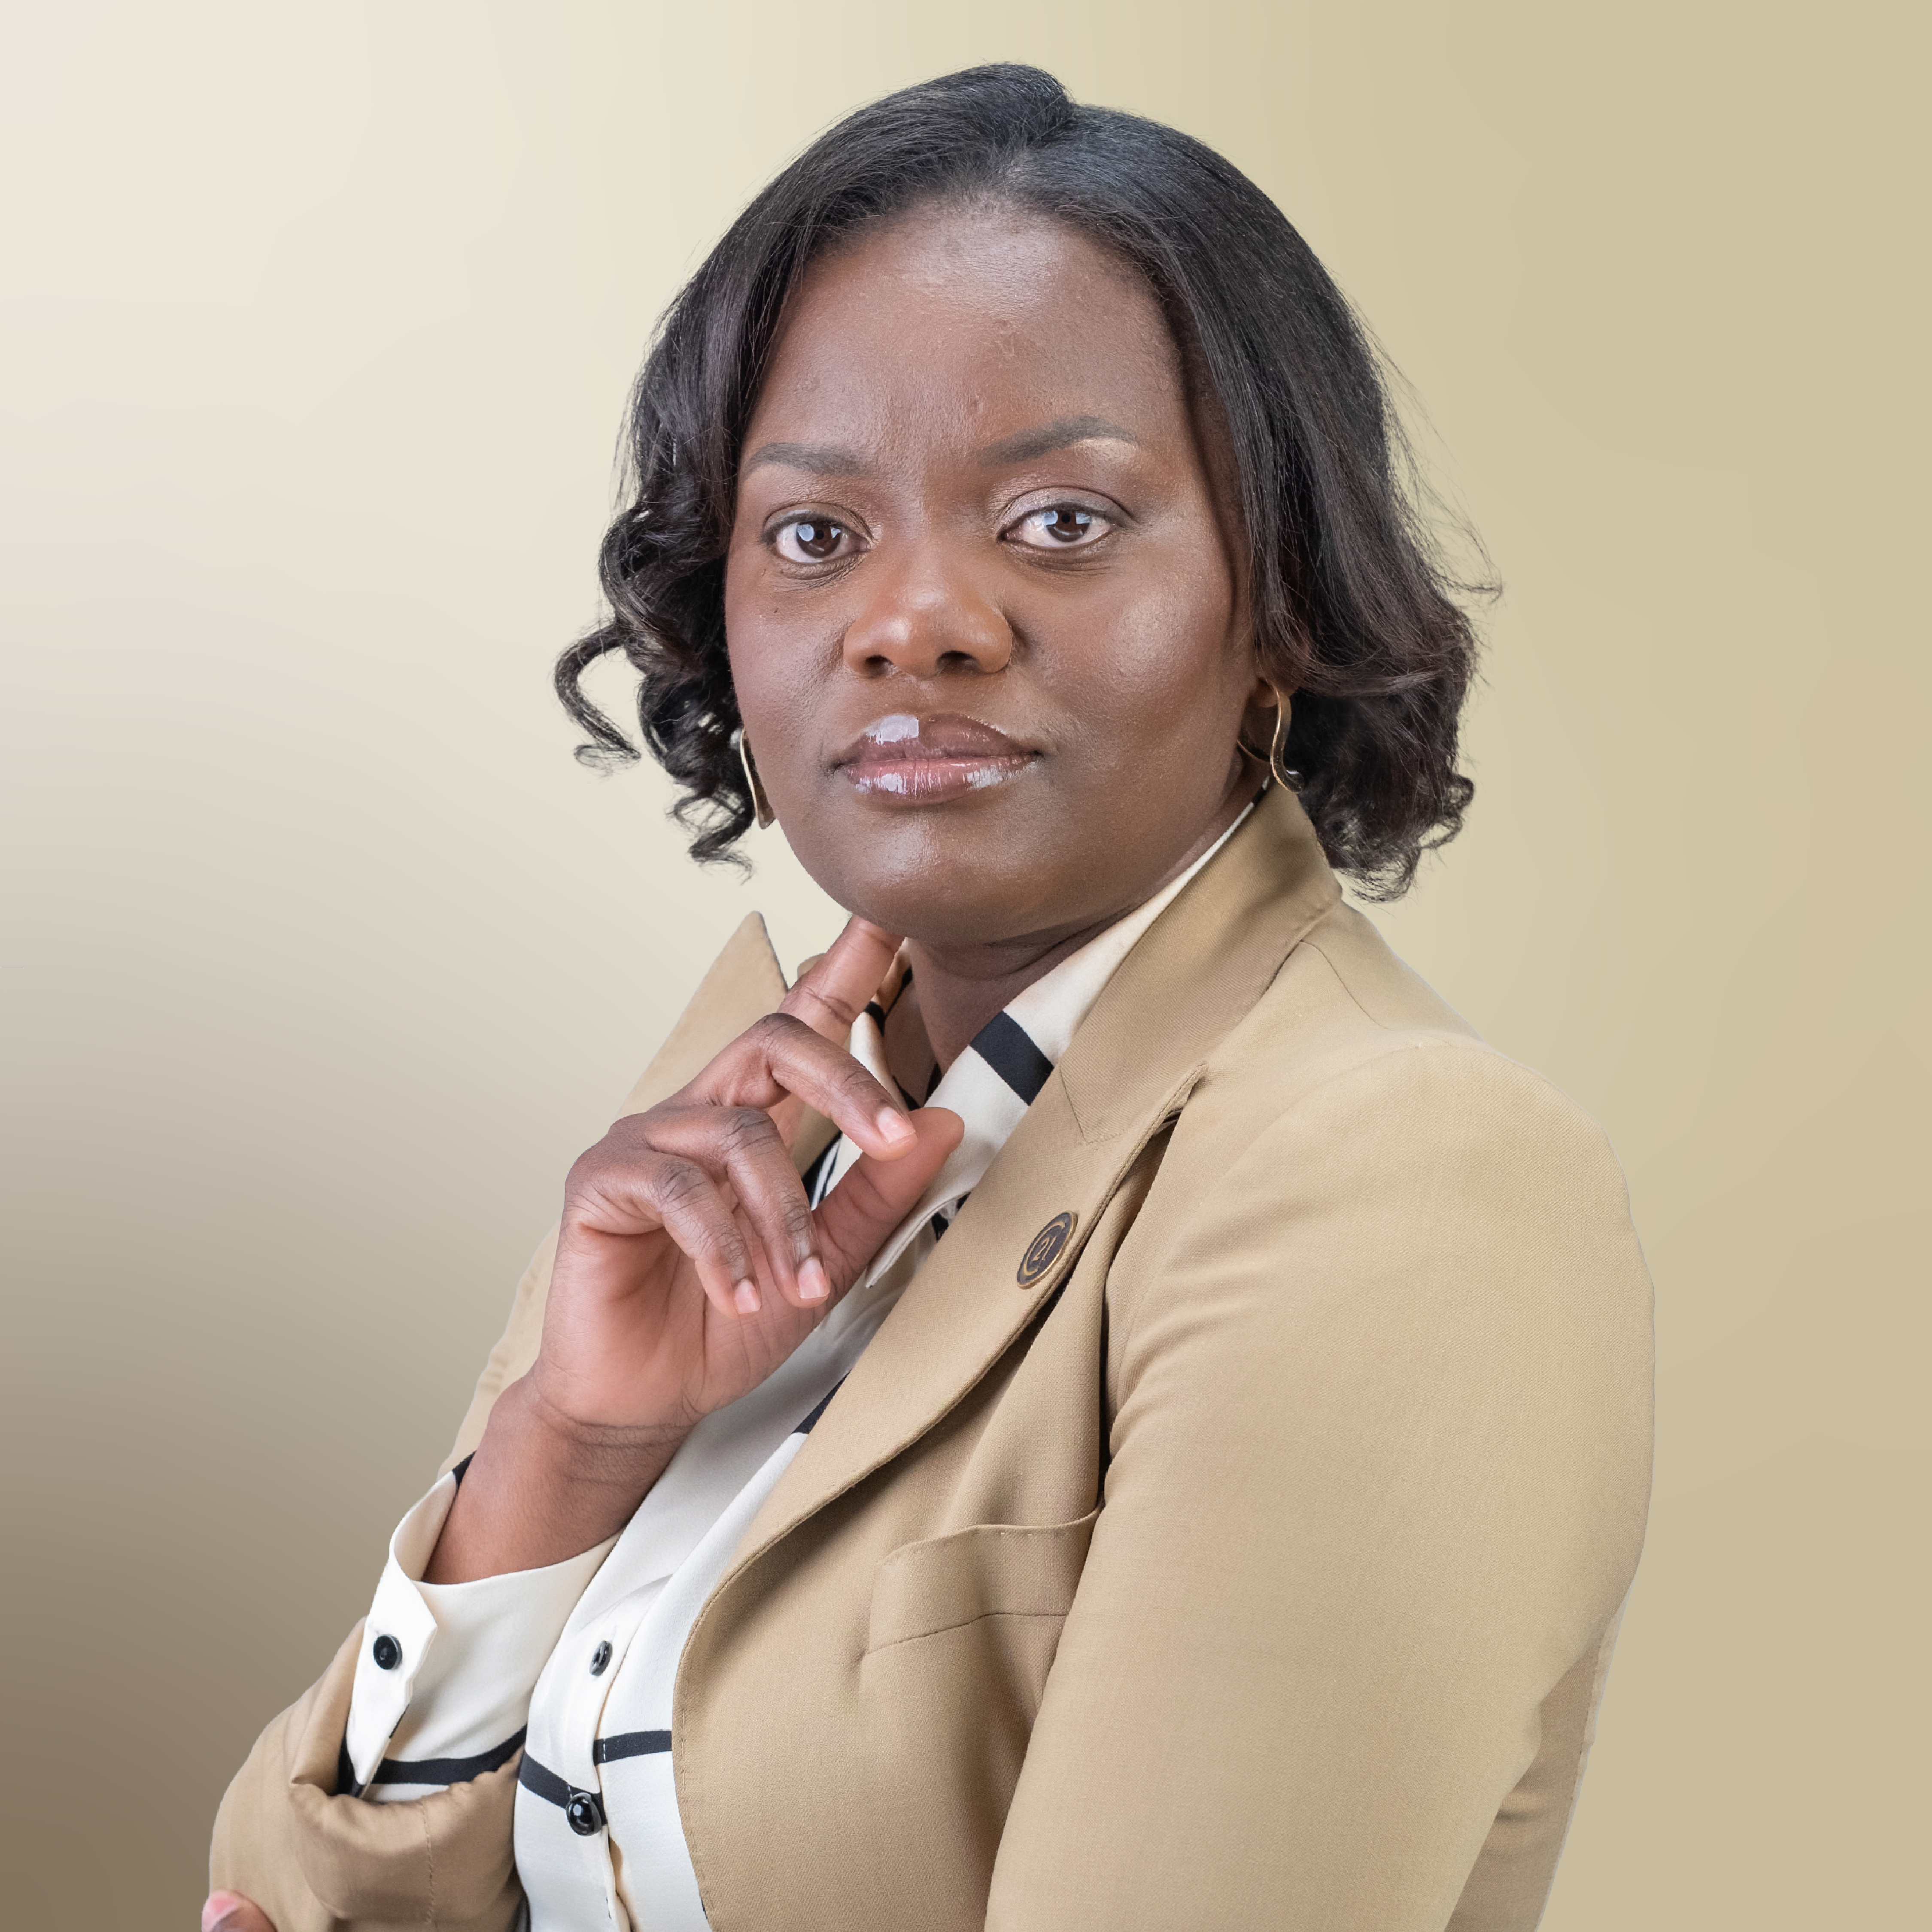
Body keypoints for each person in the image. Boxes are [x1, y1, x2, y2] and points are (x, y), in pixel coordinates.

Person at [204, 64, 1652, 1932]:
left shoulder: (1401, 1176)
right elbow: (284, 1892)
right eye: (815, 535)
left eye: (1061, 519)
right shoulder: (724, 1149)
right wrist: (567, 1451)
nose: (915, 622)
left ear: (1277, 593)